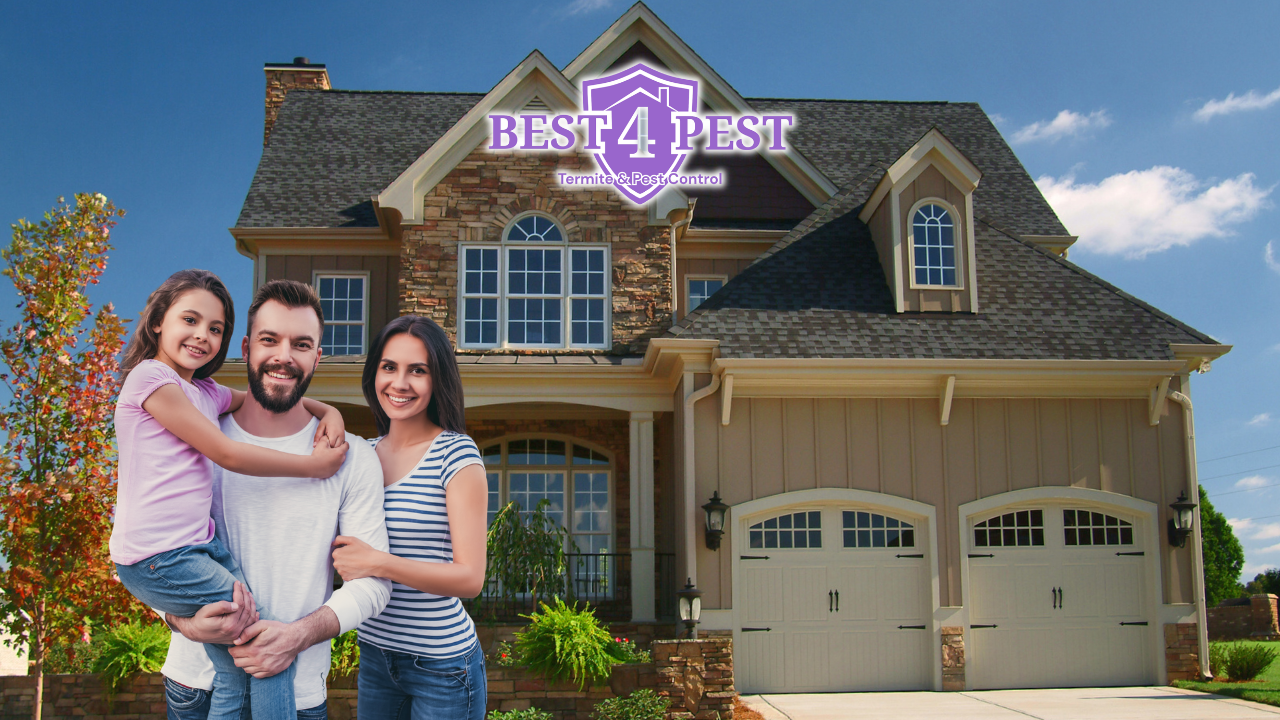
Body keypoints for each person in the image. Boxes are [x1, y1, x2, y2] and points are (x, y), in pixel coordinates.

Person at [111, 270, 349, 720]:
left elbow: (262, 397)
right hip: (160, 555)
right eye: (190, 320)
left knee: (240, 664)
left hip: (197, 549)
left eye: (215, 328)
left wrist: (329, 409)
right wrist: (312, 468)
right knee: (266, 647)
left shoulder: (202, 391)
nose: (202, 335)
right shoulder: (150, 379)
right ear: (159, 320)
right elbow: (226, 453)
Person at [159, 279, 392, 719]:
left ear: (317, 357)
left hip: (298, 691)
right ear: (246, 346)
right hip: (197, 687)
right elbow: (147, 547)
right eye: (270, 340)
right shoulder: (194, 438)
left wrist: (298, 635)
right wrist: (181, 621)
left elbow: (374, 585)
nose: (284, 356)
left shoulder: (353, 456)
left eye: (301, 344)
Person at [330, 315, 489, 719]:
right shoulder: (361, 455)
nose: (399, 383)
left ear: (437, 380)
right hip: (376, 654)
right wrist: (325, 410)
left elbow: (470, 579)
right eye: (389, 367)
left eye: (417, 370)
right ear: (374, 373)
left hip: (441, 666)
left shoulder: (455, 454)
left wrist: (378, 563)